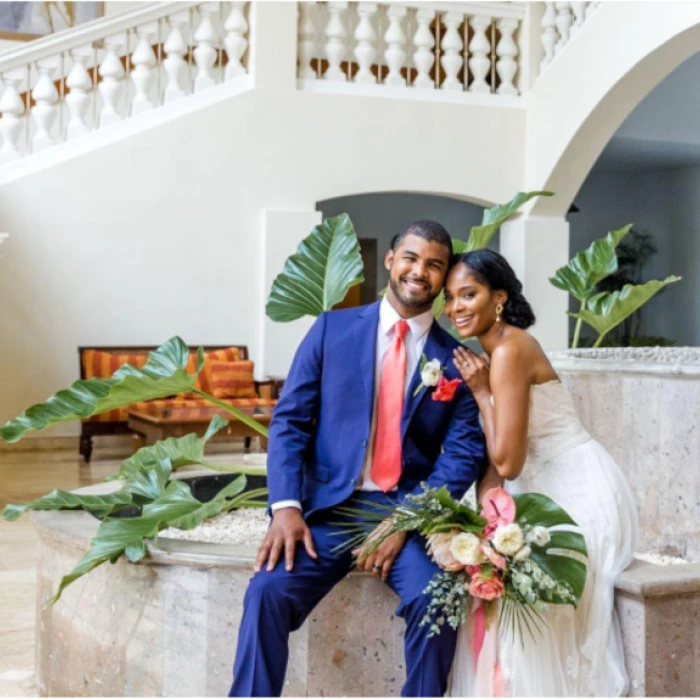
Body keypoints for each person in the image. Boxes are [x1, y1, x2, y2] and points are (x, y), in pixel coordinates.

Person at [229, 221, 486, 697]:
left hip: (405, 513)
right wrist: (285, 507)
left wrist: (406, 522)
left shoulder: (457, 361)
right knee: (266, 593)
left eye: (434, 264)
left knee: (438, 597)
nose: (419, 271)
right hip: (328, 510)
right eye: (410, 258)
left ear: (444, 276)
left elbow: (465, 454)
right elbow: (290, 422)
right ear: (390, 261)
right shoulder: (332, 329)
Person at [443, 249, 640, 697]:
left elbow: (509, 461)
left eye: (468, 294)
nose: (456, 308)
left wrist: (479, 393)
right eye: (450, 298)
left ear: (499, 297)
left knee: (528, 618)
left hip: (577, 490)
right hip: (541, 484)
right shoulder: (496, 349)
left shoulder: (510, 350)